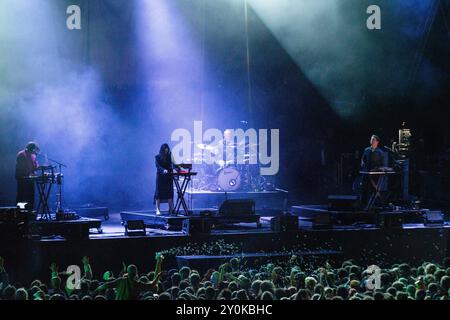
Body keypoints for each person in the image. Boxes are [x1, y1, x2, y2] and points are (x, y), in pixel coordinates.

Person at [15, 141, 40, 210]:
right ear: (31, 149)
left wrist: (40, 167)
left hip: (30, 179)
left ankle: (30, 211)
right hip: (22, 178)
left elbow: (35, 167)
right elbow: (21, 168)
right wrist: (30, 172)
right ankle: (20, 212)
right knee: (21, 196)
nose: (35, 152)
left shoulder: (32, 156)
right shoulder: (21, 155)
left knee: (31, 195)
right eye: (34, 150)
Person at [154, 144, 175, 215]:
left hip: (168, 177)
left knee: (169, 193)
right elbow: (158, 166)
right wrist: (163, 170)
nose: (166, 152)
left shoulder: (170, 156)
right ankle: (157, 209)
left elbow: (173, 164)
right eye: (165, 150)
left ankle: (171, 209)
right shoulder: (157, 157)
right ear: (162, 150)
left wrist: (179, 168)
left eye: (167, 150)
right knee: (158, 193)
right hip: (160, 177)